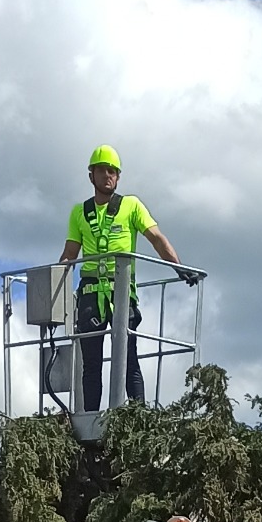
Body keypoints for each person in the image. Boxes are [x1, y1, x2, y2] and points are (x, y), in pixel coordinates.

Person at [57, 146, 196, 412]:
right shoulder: (79, 212)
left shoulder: (131, 205)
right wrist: (52, 288)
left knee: (129, 358)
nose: (108, 176)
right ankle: (90, 420)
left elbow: (156, 238)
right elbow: (70, 255)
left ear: (118, 177)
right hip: (90, 297)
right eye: (102, 171)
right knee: (91, 364)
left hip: (122, 295)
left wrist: (179, 267)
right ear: (91, 176)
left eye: (112, 171)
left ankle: (137, 417)